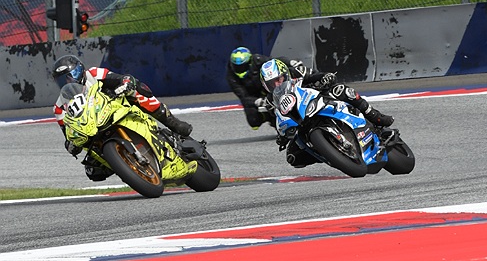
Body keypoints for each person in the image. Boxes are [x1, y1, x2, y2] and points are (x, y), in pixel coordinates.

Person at [52, 55, 193, 180]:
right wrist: (71, 145)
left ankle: (173, 122)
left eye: (70, 76)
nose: (68, 82)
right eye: (62, 80)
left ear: (80, 71)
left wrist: (125, 83)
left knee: (136, 91)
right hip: (93, 131)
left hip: (115, 108)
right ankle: (126, 166)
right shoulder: (59, 107)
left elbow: (118, 78)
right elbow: (69, 133)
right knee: (93, 171)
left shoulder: (93, 74)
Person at [260, 58, 394, 169]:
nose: (277, 85)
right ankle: (331, 154)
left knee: (341, 90)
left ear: (285, 74)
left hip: (316, 98)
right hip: (300, 121)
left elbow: (316, 75)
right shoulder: (270, 101)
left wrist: (325, 78)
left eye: (279, 79)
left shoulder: (297, 72)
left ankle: (375, 116)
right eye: (271, 84)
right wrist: (282, 136)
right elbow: (279, 118)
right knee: (293, 157)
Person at [227, 46, 307, 129]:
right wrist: (256, 101)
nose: (240, 69)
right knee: (253, 121)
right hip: (253, 96)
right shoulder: (231, 77)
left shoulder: (257, 60)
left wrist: (290, 62)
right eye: (237, 67)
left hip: (266, 88)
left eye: (242, 66)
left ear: (250, 62)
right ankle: (268, 117)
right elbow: (243, 96)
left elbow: (275, 62)